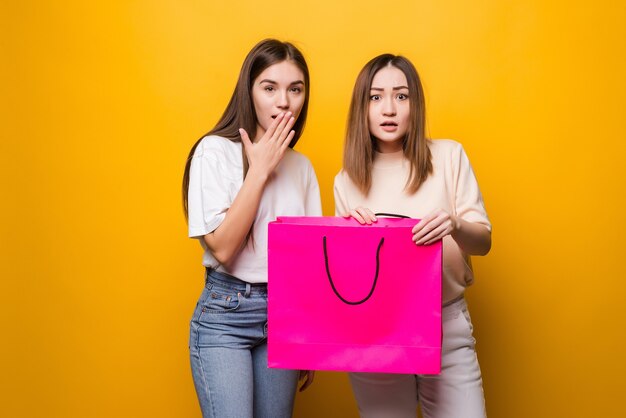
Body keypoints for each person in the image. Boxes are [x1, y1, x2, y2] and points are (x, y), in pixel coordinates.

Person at [334, 54, 492, 418]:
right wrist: (350, 238)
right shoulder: (346, 180)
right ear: (362, 107)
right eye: (375, 97)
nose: (388, 109)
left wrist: (453, 224)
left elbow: (483, 242)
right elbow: (348, 279)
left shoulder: (449, 156)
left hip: (445, 324)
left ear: (415, 104)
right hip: (375, 331)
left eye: (401, 96)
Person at [182, 39, 320, 418]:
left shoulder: (302, 168)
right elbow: (224, 249)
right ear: (250, 90)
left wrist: (305, 336)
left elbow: (306, 262)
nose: (284, 102)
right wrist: (258, 171)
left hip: (284, 316)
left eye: (296, 89)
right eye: (270, 87)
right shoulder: (214, 152)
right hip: (226, 314)